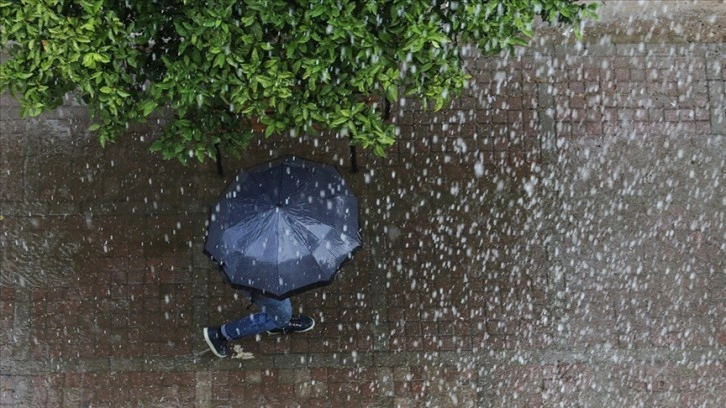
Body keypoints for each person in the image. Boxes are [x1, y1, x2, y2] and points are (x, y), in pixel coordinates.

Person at [203, 290, 315, 358]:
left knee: (275, 302)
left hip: (260, 274)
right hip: (262, 279)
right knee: (282, 314)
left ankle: (277, 321)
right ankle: (220, 335)